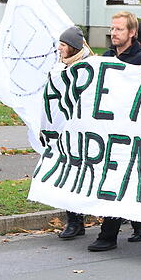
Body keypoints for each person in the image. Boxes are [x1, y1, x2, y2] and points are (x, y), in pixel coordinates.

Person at [90, 12, 141, 251]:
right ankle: (140, 220)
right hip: (107, 130)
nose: (113, 33)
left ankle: (108, 235)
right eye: (112, 29)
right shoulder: (105, 58)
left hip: (131, 133)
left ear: (132, 33)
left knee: (117, 180)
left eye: (119, 29)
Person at [56, 26, 96, 241]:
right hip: (66, 131)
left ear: (72, 47)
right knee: (67, 175)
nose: (60, 49)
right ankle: (74, 220)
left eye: (63, 45)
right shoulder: (61, 68)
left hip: (86, 133)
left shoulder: (89, 67)